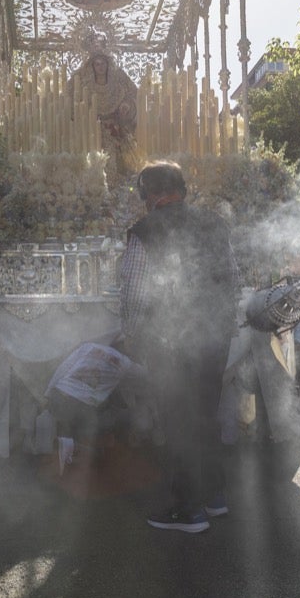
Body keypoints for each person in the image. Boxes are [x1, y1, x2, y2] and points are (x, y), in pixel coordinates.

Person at [118, 161, 238, 532]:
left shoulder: (144, 231)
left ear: (150, 196)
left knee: (177, 422)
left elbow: (134, 292)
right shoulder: (215, 224)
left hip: (169, 343)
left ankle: (188, 510)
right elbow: (232, 277)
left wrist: (132, 335)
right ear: (182, 190)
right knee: (206, 415)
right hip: (213, 337)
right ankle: (214, 498)